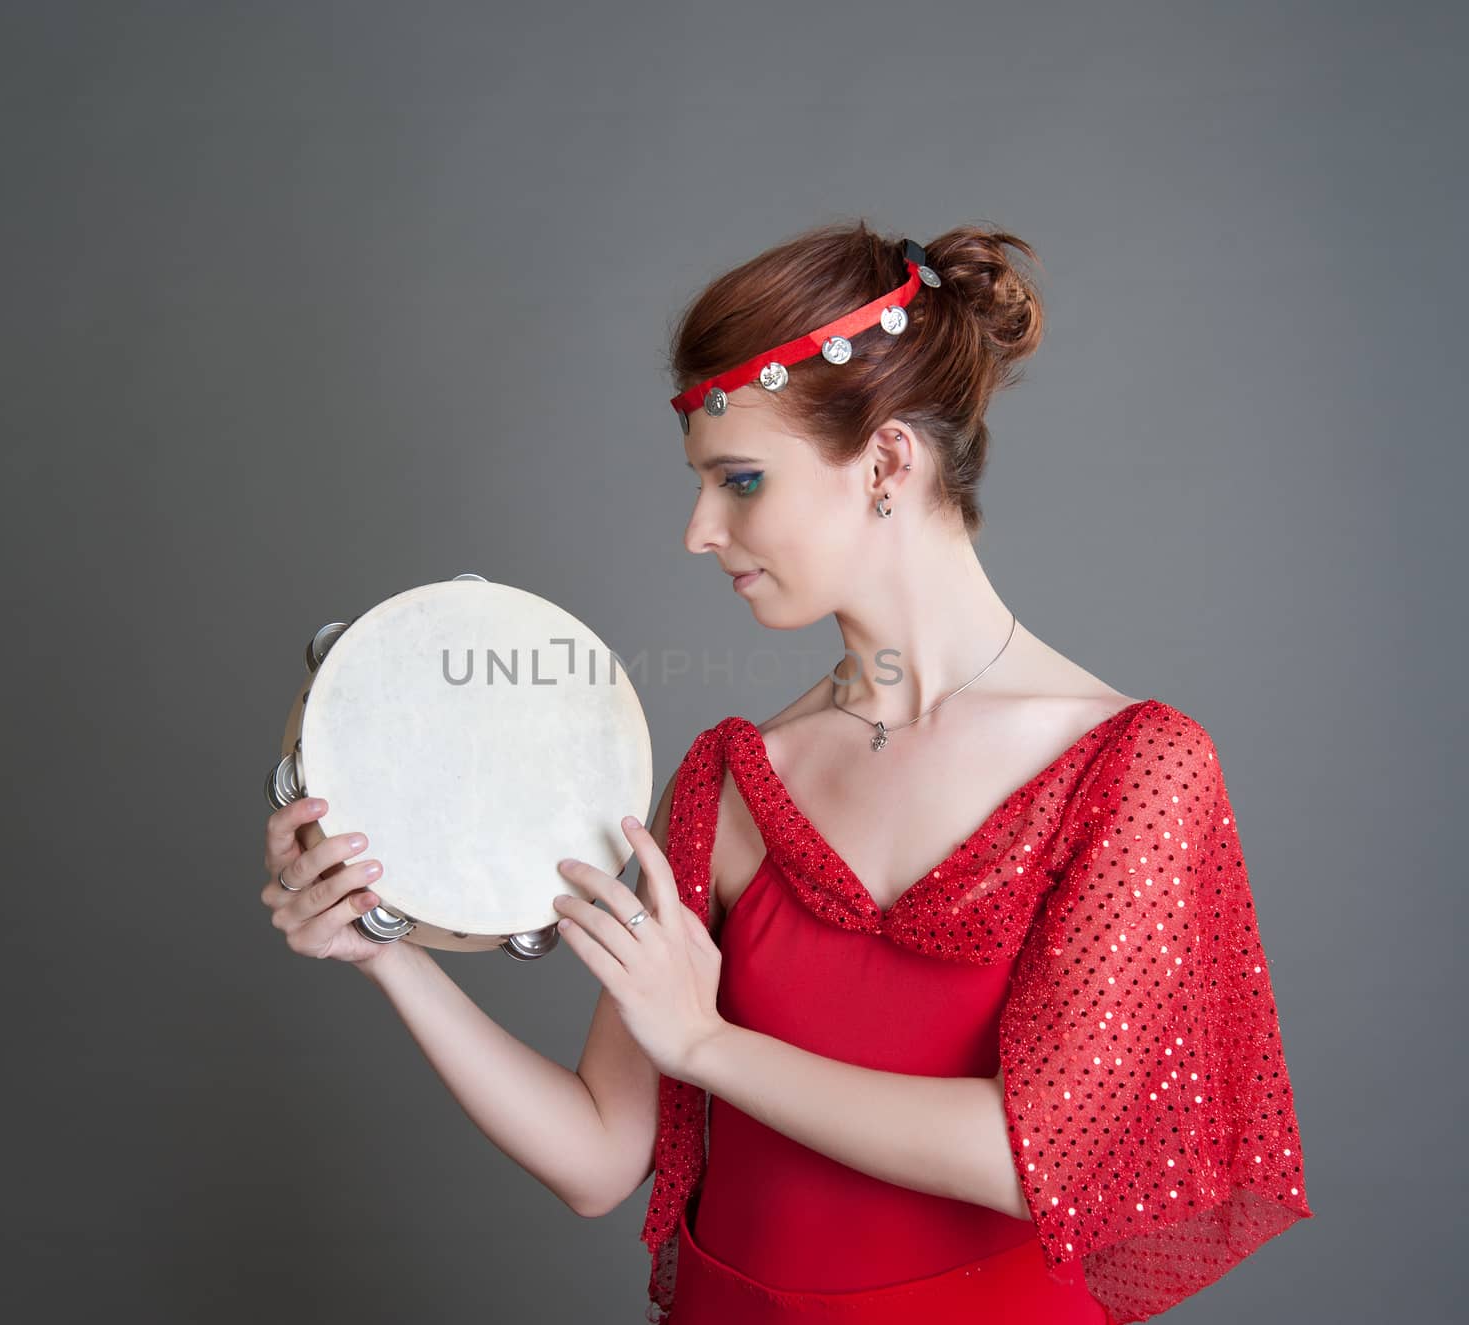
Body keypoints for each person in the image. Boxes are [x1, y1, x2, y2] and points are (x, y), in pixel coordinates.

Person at [260, 220, 1313, 1324]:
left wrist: (710, 1044)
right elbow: (597, 1158)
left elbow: (1037, 1149)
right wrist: (381, 951)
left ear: (889, 461)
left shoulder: (1131, 767)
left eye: (740, 479)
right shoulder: (727, 781)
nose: (699, 530)